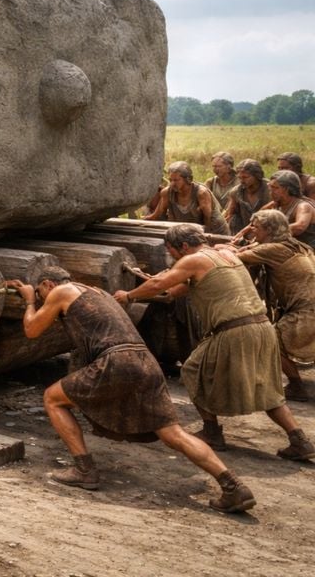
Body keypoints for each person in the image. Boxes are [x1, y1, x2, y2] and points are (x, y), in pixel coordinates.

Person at [7, 266, 255, 513]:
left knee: (52, 399)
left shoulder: (61, 292)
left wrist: (30, 300)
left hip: (117, 361)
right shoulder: (97, 292)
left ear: (49, 284)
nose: (41, 298)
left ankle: (84, 470)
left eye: (41, 292)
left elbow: (31, 330)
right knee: (173, 434)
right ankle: (232, 485)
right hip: (145, 362)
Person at [115, 223, 315, 462]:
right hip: (261, 328)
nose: (172, 256)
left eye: (172, 251)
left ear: (184, 246)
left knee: (192, 370)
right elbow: (170, 293)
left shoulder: (193, 260)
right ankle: (299, 440)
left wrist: (128, 296)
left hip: (235, 329)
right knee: (267, 387)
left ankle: (211, 432)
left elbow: (160, 285)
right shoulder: (226, 254)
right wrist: (154, 281)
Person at [227, 210, 315, 402]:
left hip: (307, 311)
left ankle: (296, 385)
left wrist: (224, 247)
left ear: (268, 230)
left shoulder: (274, 250)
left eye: (256, 228)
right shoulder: (298, 245)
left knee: (270, 341)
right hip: (308, 307)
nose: (253, 231)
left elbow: (234, 257)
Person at [144, 161, 230, 235]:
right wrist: (142, 221)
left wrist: (205, 237)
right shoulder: (167, 192)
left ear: (188, 179)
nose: (172, 184)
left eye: (176, 180)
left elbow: (208, 220)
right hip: (189, 231)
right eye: (170, 180)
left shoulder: (201, 193)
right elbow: (157, 215)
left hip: (215, 231)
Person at [244, 170, 315, 248]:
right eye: (270, 187)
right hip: (285, 247)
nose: (271, 191)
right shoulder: (274, 205)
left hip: (306, 251)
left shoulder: (303, 206)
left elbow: (299, 227)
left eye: (275, 188)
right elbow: (255, 221)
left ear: (287, 189)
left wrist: (270, 233)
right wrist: (239, 237)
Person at [224, 159, 270, 234]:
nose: (242, 181)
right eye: (240, 178)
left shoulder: (269, 189)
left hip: (267, 229)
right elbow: (230, 214)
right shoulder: (236, 192)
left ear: (257, 176)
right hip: (244, 230)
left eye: (245, 177)